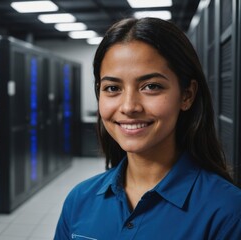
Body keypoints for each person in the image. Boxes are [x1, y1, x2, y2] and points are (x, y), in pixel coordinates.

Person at [54, 17, 241, 240]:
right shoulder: (79, 200)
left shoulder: (228, 211)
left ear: (187, 95)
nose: (129, 106)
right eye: (112, 88)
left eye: (151, 86)